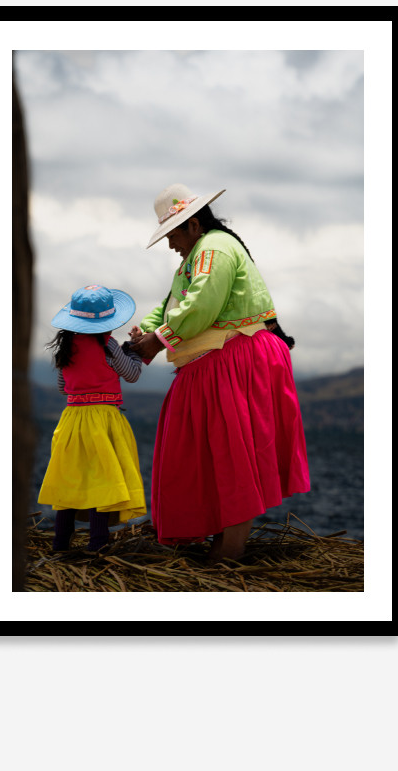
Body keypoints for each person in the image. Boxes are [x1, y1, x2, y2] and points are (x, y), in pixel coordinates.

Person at [125, 184, 310, 562]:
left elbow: (203, 304)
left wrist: (158, 342)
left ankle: (231, 549)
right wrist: (148, 330)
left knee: (231, 455)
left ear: (192, 225)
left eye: (172, 234)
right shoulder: (197, 256)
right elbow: (173, 303)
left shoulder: (213, 250)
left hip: (236, 359)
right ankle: (221, 539)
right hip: (220, 362)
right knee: (214, 454)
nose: (171, 244)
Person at [38, 284, 147, 554]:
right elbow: (132, 373)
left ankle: (60, 544)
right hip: (104, 420)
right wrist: (133, 349)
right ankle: (97, 544)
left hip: (72, 420)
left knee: (70, 479)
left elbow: (64, 386)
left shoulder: (65, 346)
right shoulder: (108, 345)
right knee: (103, 481)